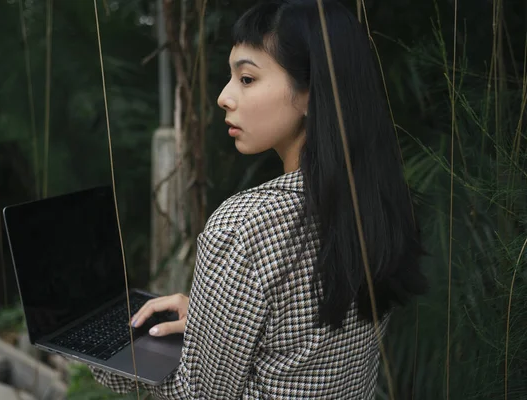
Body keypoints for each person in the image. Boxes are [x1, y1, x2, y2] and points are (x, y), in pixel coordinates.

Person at [89, 0, 428, 398]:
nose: (223, 97)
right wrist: (207, 321)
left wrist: (103, 354)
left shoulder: (245, 225)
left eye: (246, 79)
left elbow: (199, 395)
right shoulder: (378, 204)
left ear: (309, 93)